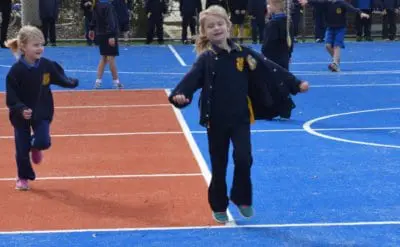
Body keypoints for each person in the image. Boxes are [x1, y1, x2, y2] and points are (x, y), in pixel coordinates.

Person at [168, 5, 309, 224]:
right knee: (219, 164)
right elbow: (189, 82)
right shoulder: (206, 60)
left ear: (228, 26)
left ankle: (241, 197)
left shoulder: (243, 54)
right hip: (215, 121)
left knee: (244, 158)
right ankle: (218, 204)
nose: (216, 28)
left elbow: (269, 67)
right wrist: (180, 95)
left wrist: (295, 82)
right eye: (211, 26)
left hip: (241, 117)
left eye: (220, 24)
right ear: (205, 32)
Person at [5, 25, 79, 191]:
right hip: (20, 115)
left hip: (42, 110)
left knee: (43, 141)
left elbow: (59, 76)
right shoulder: (16, 71)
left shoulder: (46, 65)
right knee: (21, 149)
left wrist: (70, 82)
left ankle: (36, 146)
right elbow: (11, 95)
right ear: (23, 47)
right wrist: (20, 108)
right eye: (36, 45)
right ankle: (23, 177)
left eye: (41, 44)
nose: (40, 48)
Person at [299, 0, 370, 72]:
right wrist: (307, 2)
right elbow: (316, 2)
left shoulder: (342, 3)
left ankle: (335, 63)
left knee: (337, 45)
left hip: (340, 28)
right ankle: (336, 60)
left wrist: (360, 13)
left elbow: (352, 8)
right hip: (330, 28)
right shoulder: (325, 3)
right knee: (328, 46)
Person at [89, 0, 123, 89]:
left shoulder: (97, 4)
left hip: (100, 34)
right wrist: (112, 35)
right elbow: (110, 20)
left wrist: (91, 29)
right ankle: (116, 82)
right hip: (108, 35)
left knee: (104, 57)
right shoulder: (108, 5)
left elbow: (93, 18)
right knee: (111, 57)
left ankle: (98, 81)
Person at [261, 0, 294, 70]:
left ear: (274, 6)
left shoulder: (272, 24)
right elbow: (290, 42)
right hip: (284, 57)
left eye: (268, 4)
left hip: (273, 60)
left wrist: (262, 56)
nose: (267, 6)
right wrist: (289, 55)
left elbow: (267, 45)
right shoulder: (288, 21)